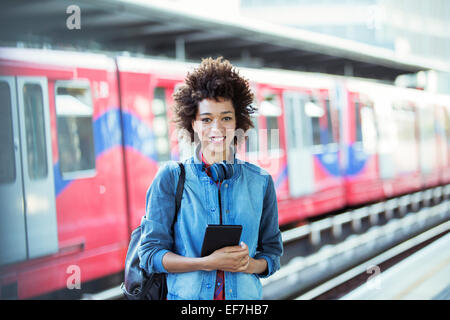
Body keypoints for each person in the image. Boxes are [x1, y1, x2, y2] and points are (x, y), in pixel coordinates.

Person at [138, 57, 283, 300]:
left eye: (226, 118)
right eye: (206, 119)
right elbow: (150, 255)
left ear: (238, 121)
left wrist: (249, 265)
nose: (217, 128)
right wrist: (206, 262)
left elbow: (272, 255)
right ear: (193, 123)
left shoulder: (261, 183)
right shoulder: (170, 179)